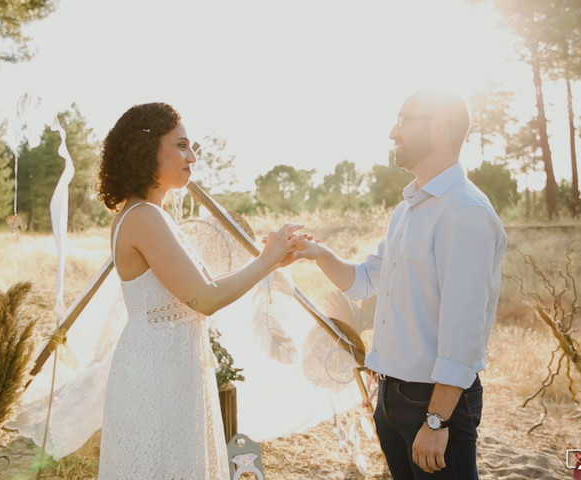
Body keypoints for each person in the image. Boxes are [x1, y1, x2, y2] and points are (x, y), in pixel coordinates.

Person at [296, 90, 507, 479]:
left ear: (439, 128)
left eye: (404, 120)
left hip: (433, 402)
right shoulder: (407, 211)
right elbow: (363, 281)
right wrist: (318, 254)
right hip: (392, 397)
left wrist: (437, 421)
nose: (393, 132)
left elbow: (464, 332)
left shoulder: (464, 213)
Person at [94, 102, 302, 479]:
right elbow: (205, 299)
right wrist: (267, 260)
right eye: (182, 146)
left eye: (193, 148)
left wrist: (270, 259)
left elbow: (204, 288)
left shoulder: (151, 214)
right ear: (146, 151)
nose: (192, 157)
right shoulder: (144, 217)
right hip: (155, 372)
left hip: (170, 363)